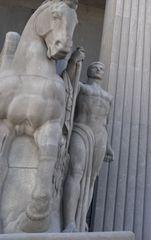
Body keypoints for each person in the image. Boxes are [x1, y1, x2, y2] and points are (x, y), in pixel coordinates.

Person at [62, 61, 113, 232]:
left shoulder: (108, 97)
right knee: (76, 172)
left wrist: (108, 146)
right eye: (95, 67)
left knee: (91, 179)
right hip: (81, 129)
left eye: (101, 68)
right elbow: (67, 85)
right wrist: (74, 63)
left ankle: (80, 219)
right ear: (89, 71)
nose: (99, 69)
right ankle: (69, 222)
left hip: (100, 136)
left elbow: (106, 121)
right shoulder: (82, 87)